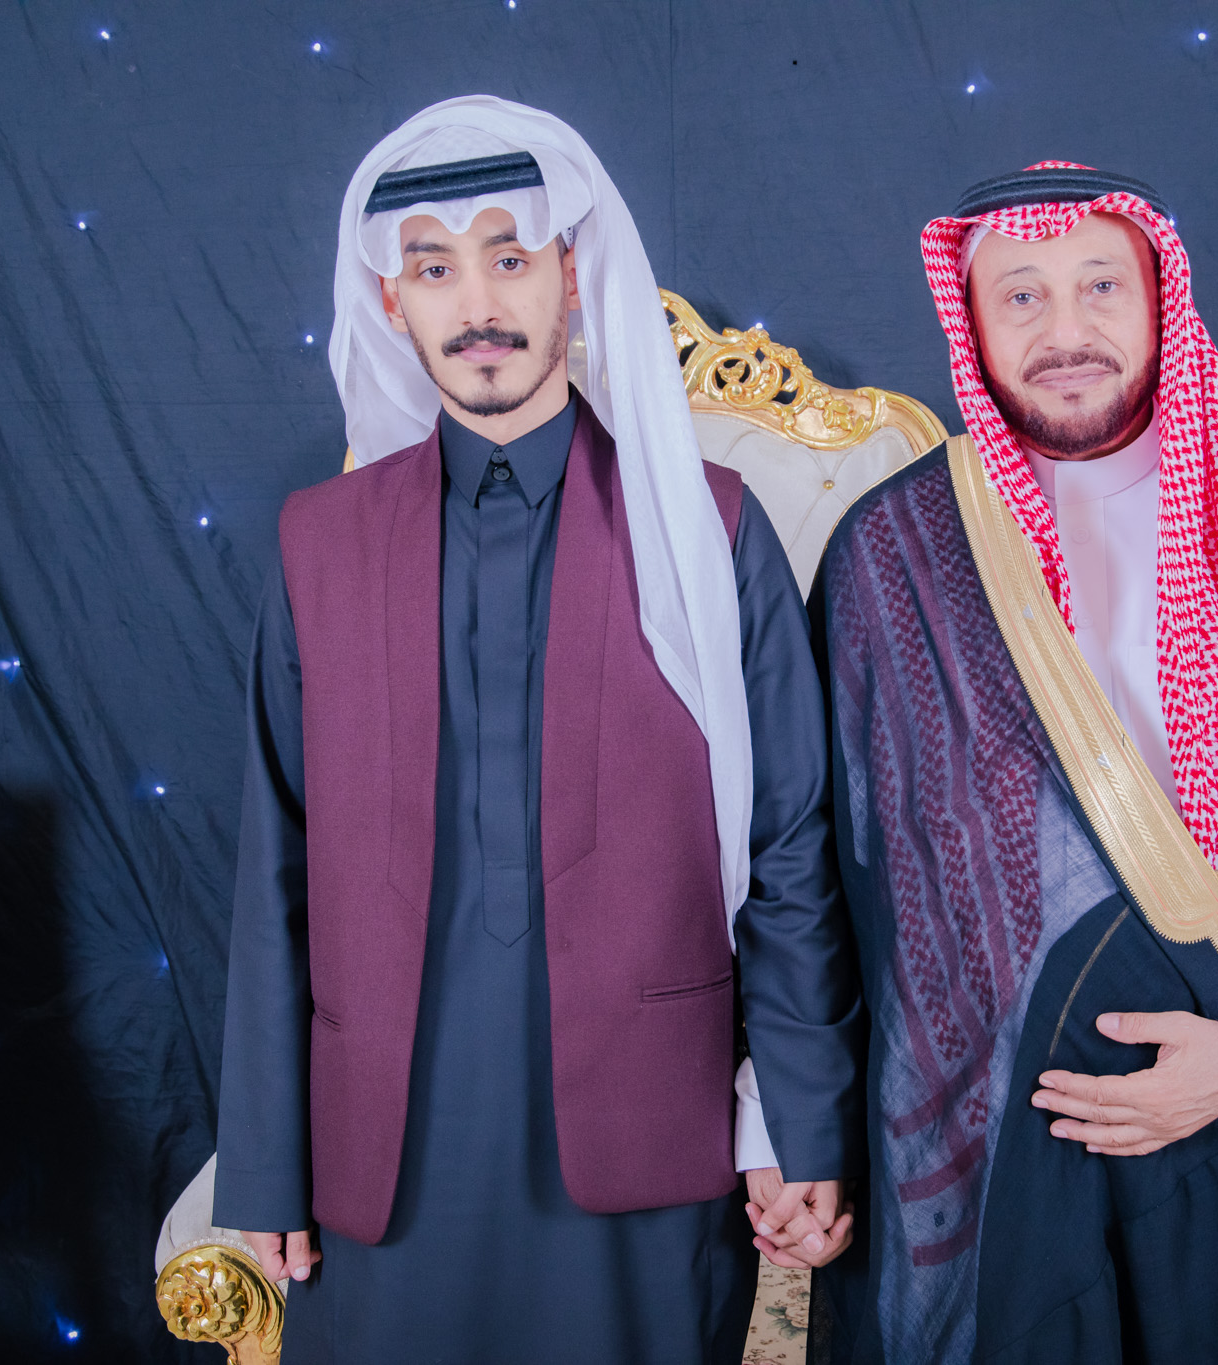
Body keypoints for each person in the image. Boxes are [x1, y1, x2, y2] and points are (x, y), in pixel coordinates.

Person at [212, 96, 860, 1362]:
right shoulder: (317, 545)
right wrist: (266, 1161)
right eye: (434, 269)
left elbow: (790, 847)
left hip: (645, 1138)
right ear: (390, 302)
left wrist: (795, 1121)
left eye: (509, 257)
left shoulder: (713, 528)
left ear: (572, 274)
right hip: (385, 1150)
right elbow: (271, 870)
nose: (478, 305)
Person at [808, 161, 1218, 1363]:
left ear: (1160, 297)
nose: (1064, 331)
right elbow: (838, 879)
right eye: (1020, 295)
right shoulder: (891, 553)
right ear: (969, 322)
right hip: (1008, 1136)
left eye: (1100, 286)